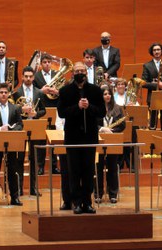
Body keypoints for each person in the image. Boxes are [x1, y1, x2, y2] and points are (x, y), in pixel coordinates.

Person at [57, 62, 106, 214]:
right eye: (77, 71)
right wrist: (77, 107)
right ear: (73, 73)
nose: (80, 73)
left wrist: (89, 107)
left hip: (90, 137)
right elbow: (61, 113)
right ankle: (76, 202)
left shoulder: (95, 90)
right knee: (74, 171)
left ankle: (87, 202)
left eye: (82, 71)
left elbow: (102, 112)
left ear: (86, 72)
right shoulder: (65, 91)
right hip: (72, 138)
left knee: (88, 170)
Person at [13, 66, 46, 195]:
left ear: (33, 77)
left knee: (34, 159)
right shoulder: (16, 93)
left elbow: (44, 110)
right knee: (19, 159)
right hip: (21, 127)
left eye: (30, 76)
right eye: (25, 76)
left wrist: (35, 113)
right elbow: (13, 111)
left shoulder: (39, 92)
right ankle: (19, 188)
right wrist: (22, 110)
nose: (28, 79)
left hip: (35, 127)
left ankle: (33, 188)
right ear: (22, 77)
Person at [95, 86, 125, 204]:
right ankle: (98, 194)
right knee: (98, 168)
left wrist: (112, 131)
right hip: (99, 139)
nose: (107, 96)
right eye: (105, 94)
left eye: (109, 94)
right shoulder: (97, 109)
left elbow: (122, 125)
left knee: (112, 167)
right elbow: (92, 124)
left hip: (113, 139)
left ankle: (113, 194)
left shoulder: (117, 109)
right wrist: (102, 129)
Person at [32, 53, 60, 175]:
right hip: (42, 110)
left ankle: (54, 166)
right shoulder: (36, 76)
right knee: (41, 139)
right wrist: (41, 91)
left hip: (55, 109)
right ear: (41, 64)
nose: (47, 64)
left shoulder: (56, 74)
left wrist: (56, 91)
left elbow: (63, 90)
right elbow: (32, 92)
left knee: (53, 139)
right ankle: (40, 166)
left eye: (49, 62)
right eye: (45, 62)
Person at [55, 111, 72, 210]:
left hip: (77, 141)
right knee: (65, 173)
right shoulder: (61, 104)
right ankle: (67, 201)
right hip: (64, 141)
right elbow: (58, 123)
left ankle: (78, 200)